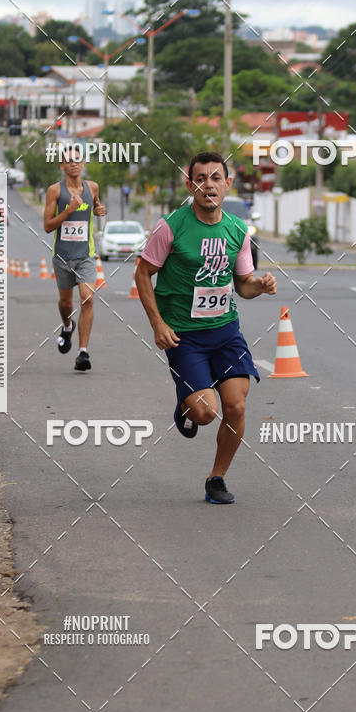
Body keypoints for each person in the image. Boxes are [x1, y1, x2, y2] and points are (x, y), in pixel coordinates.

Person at [135, 151, 277, 504]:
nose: (208, 185)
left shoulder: (238, 231)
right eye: (201, 178)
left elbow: (242, 284)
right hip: (185, 336)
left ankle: (217, 478)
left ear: (228, 184)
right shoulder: (171, 227)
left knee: (237, 407)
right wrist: (157, 323)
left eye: (216, 178)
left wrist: (258, 286)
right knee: (205, 412)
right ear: (190, 185)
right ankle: (187, 404)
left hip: (226, 332)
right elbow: (141, 273)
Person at [43, 146, 106, 371]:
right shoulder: (55, 191)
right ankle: (67, 326)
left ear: (83, 163)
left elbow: (96, 205)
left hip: (86, 255)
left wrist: (99, 210)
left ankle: (83, 352)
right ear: (62, 165)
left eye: (77, 160)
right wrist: (68, 210)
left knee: (87, 298)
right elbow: (47, 226)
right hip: (62, 256)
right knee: (66, 303)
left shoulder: (92, 187)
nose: (73, 164)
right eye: (68, 161)